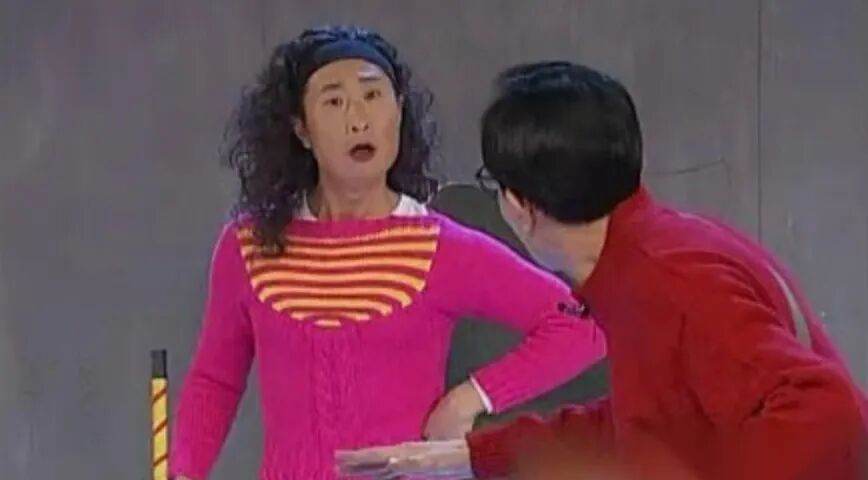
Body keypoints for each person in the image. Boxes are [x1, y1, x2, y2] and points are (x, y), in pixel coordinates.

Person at [336, 61, 868, 479]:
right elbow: (644, 424)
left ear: (519, 205)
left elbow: (827, 413)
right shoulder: (655, 254)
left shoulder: (671, 283)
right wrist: (472, 455)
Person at [170, 28, 607, 480]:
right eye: (334, 101)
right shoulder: (249, 245)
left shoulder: (440, 248)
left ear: (398, 112)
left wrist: (471, 398)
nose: (358, 119)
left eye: (373, 95)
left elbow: (582, 326)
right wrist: (182, 472)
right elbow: (215, 381)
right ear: (301, 129)